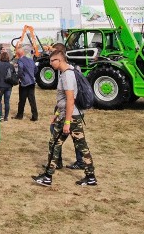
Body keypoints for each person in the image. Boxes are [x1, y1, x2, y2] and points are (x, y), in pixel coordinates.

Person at [33, 50, 96, 187]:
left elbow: (70, 100)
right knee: (82, 146)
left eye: (52, 61)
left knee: (54, 144)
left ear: (60, 60)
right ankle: (90, 177)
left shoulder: (67, 75)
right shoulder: (69, 72)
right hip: (72, 115)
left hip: (69, 117)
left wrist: (66, 122)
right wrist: (56, 115)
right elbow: (63, 100)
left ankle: (48, 176)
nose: (50, 63)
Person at [13, 44, 38, 121]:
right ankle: (35, 116)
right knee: (32, 100)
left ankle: (20, 115)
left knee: (22, 100)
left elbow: (20, 70)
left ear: (18, 54)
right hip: (32, 82)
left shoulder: (20, 61)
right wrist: (32, 75)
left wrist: (18, 77)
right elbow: (36, 69)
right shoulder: (31, 60)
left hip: (24, 83)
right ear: (23, 52)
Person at [0, 50, 15, 121]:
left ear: (1, 57)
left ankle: (0, 116)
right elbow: (13, 75)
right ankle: (6, 117)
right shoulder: (11, 65)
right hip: (8, 86)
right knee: (7, 101)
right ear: (8, 57)